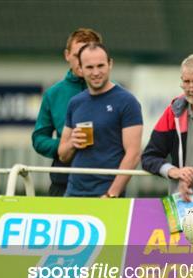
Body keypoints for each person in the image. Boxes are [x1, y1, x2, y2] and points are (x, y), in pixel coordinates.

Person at [58, 43, 143, 197]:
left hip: (106, 195)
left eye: (100, 66)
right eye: (89, 67)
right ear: (80, 69)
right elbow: (62, 155)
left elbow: (133, 154)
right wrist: (72, 142)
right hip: (73, 192)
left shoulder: (127, 101)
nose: (96, 72)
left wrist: (112, 194)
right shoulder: (75, 102)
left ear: (110, 64)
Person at [32, 28, 102, 196]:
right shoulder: (54, 94)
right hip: (63, 180)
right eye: (78, 55)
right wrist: (65, 146)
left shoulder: (116, 94)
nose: (82, 60)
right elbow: (39, 139)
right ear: (67, 55)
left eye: (88, 54)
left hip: (104, 181)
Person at [142, 54, 193, 199]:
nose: (191, 87)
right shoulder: (173, 112)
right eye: (186, 81)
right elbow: (149, 157)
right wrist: (173, 171)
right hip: (181, 201)